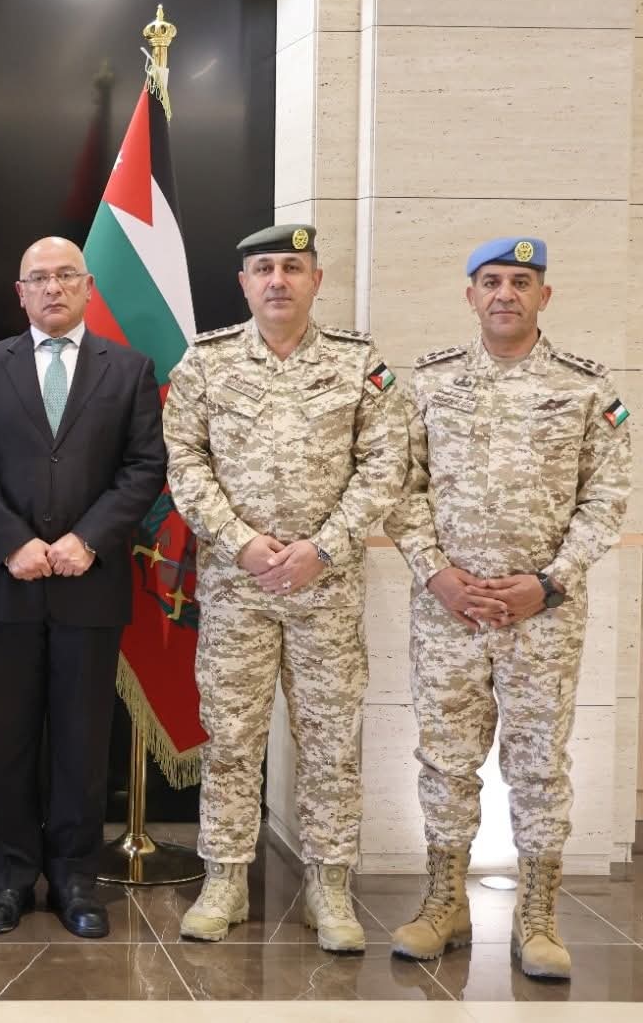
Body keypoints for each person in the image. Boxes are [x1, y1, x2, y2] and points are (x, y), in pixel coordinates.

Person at [383, 236, 630, 980]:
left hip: (542, 619)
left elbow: (606, 500)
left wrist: (547, 583)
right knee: (446, 760)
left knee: (539, 764)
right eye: (491, 282)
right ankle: (443, 904)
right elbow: (401, 485)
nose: (505, 294)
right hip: (448, 614)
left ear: (544, 296)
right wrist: (437, 575)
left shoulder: (586, 387)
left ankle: (538, 917)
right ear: (470, 296)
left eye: (521, 282)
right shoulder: (430, 382)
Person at [162, 223, 406, 952]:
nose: (278, 281)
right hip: (236, 588)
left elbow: (385, 466)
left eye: (293, 269)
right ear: (243, 284)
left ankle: (329, 886)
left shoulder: (359, 365)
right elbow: (184, 461)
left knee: (331, 741)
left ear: (316, 281)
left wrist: (322, 548)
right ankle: (225, 878)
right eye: (264, 269)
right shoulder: (206, 363)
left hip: (324, 591)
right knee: (231, 738)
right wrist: (239, 540)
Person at [0, 236, 167, 937]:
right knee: (5, 738)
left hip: (88, 582)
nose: (52, 287)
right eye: (38, 277)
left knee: (82, 739)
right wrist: (13, 542)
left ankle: (74, 878)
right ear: (20, 293)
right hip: (6, 582)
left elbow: (144, 468)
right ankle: (8, 878)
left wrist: (86, 539)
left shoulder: (129, 370)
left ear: (88, 286)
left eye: (66, 275)